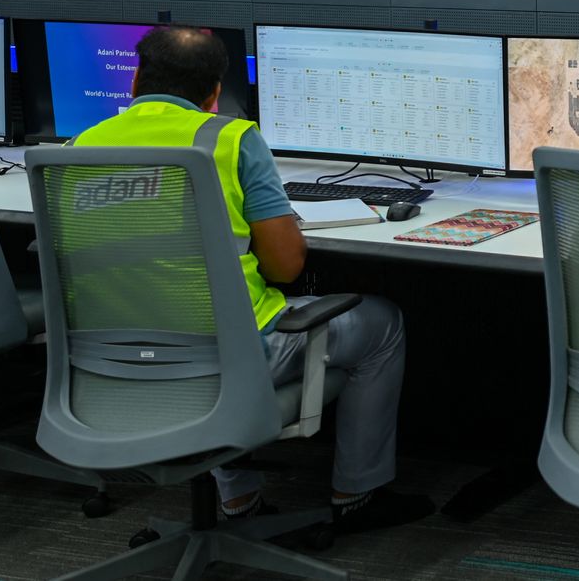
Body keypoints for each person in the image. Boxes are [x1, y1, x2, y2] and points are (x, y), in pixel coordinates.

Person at [70, 26, 431, 536]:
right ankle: (357, 495)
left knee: (182, 311)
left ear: (134, 81)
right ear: (214, 94)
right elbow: (285, 268)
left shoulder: (80, 146)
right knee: (382, 322)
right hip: (229, 361)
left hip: (116, 366)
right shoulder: (231, 139)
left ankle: (239, 500)